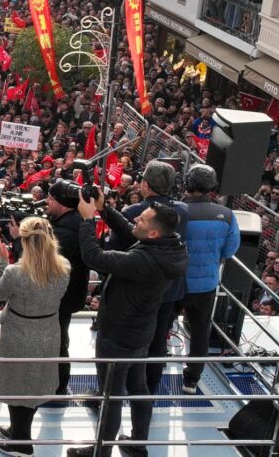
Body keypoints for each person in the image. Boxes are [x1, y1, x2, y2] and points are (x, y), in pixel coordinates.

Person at [71, 192, 188, 457]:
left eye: (143, 219)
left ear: (155, 234)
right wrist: (104, 209)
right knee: (138, 386)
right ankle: (137, 443)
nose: (137, 218)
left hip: (118, 334)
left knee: (110, 395)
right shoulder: (173, 247)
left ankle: (101, 452)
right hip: (141, 330)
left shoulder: (144, 260)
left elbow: (94, 257)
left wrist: (88, 220)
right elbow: (130, 229)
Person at [0, 217, 70, 457]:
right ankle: (17, 428)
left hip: (19, 332)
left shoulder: (15, 271)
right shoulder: (64, 267)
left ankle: (21, 443)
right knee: (32, 383)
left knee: (17, 385)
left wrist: (2, 259)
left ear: (25, 241)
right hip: (48, 331)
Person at [118, 161, 189, 394]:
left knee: (128, 342)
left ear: (145, 185)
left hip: (136, 293)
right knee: (159, 341)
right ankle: (150, 389)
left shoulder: (132, 213)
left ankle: (122, 387)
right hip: (169, 291)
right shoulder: (183, 210)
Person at [180, 164, 240, 395]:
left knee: (160, 325)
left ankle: (153, 368)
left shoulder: (177, 210)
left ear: (187, 183)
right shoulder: (226, 215)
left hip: (176, 282)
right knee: (200, 332)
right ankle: (191, 381)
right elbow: (229, 250)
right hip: (206, 285)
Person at [45, 179, 91, 395]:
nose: (46, 202)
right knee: (60, 337)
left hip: (60, 298)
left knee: (58, 340)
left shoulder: (63, 234)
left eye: (50, 198)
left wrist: (19, 241)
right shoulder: (74, 222)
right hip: (68, 295)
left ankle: (57, 385)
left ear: (62, 203)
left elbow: (42, 262)